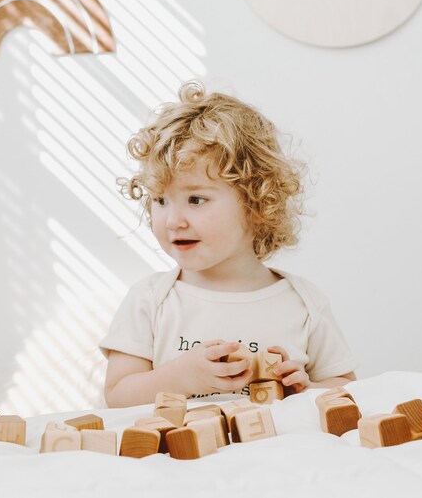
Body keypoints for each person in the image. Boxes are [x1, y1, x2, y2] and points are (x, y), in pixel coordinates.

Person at [101, 81, 357, 407]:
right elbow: (117, 396)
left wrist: (306, 391)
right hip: (181, 458)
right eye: (160, 200)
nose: (172, 220)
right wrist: (180, 378)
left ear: (257, 204)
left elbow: (346, 389)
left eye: (196, 199)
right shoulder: (150, 301)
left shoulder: (303, 303)